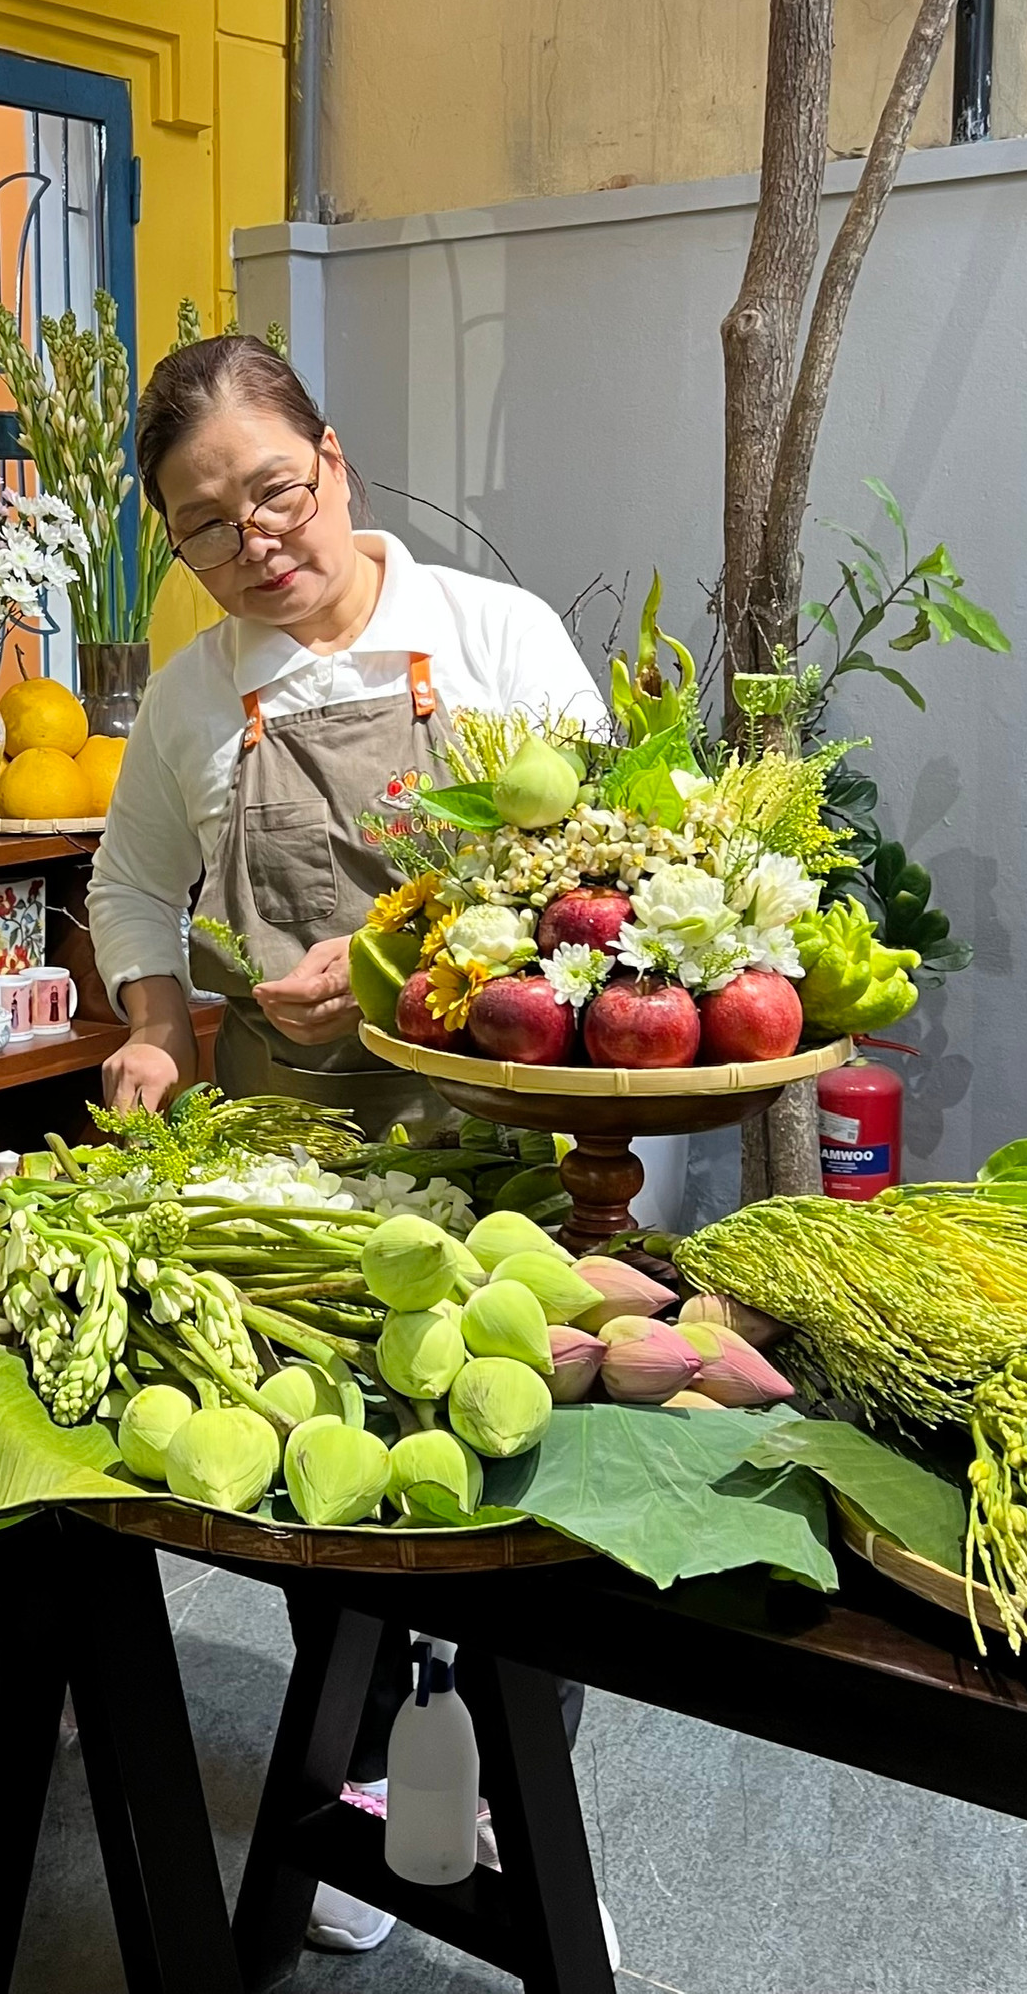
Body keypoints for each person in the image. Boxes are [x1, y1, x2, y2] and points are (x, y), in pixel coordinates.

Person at [88, 334, 610, 1960]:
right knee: (343, 1452)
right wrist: (162, 1023)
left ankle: (507, 1762)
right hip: (305, 1146)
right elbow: (126, 888)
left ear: (333, 456)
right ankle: (367, 1760)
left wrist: (402, 950)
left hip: (502, 1127)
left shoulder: (490, 635)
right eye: (204, 523)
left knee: (518, 1436)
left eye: (274, 487)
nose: (255, 538)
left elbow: (609, 861)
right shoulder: (192, 697)